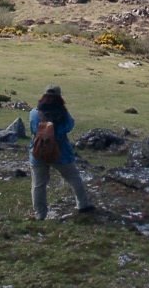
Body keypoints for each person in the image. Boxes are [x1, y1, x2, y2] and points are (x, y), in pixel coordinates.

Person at [28, 84, 94, 220]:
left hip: (38, 152)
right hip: (61, 153)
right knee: (73, 177)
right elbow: (70, 125)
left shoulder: (34, 113)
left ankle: (40, 214)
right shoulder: (63, 113)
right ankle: (82, 205)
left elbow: (33, 129)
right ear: (59, 97)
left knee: (38, 184)